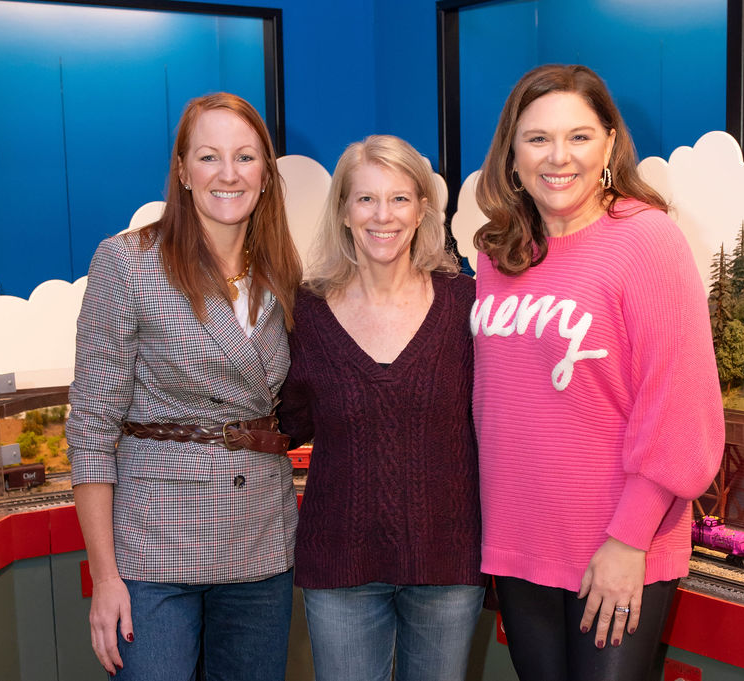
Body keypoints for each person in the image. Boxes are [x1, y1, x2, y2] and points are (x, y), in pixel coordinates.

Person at [471, 64, 724, 681]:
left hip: (614, 545)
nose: (559, 157)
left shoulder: (647, 241)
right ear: (511, 151)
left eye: (579, 136)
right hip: (520, 540)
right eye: (537, 138)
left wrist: (629, 541)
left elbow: (680, 413)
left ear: (611, 142)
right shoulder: (498, 251)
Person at [66, 92, 302, 681]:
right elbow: (91, 429)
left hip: (261, 537)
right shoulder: (129, 261)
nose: (228, 174)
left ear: (266, 176)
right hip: (155, 542)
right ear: (182, 171)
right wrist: (105, 576)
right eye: (209, 157)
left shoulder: (282, 270)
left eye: (245, 157)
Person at [278, 134, 484, 681]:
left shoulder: (468, 306)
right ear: (344, 211)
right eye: (365, 198)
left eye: (399, 198)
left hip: (448, 565)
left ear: (422, 210)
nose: (382, 215)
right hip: (340, 568)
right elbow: (284, 423)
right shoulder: (306, 314)